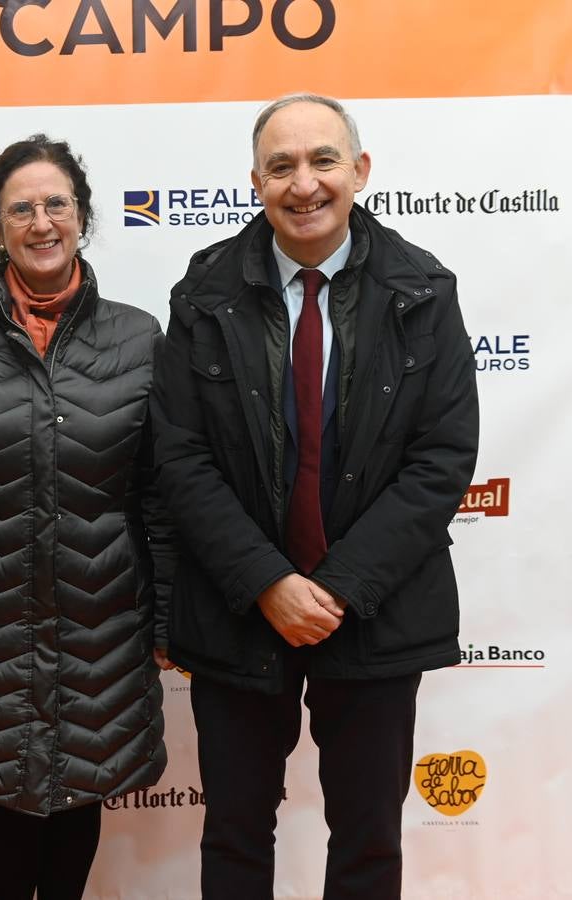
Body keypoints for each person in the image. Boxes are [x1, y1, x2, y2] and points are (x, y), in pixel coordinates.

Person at [150, 93, 480, 900]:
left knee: (367, 841)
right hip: (237, 610)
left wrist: (334, 589)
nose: (303, 183)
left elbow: (441, 458)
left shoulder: (423, 292)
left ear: (358, 171)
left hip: (375, 606)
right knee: (233, 834)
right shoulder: (201, 296)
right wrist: (267, 582)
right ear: (255, 182)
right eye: (281, 165)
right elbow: (181, 457)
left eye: (322, 160)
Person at [0, 134, 171, 900]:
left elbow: (159, 494)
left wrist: (164, 620)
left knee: (77, 789)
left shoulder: (137, 338)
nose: (40, 222)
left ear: (82, 216)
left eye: (55, 204)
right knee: (4, 792)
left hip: (102, 617)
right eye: (20, 208)